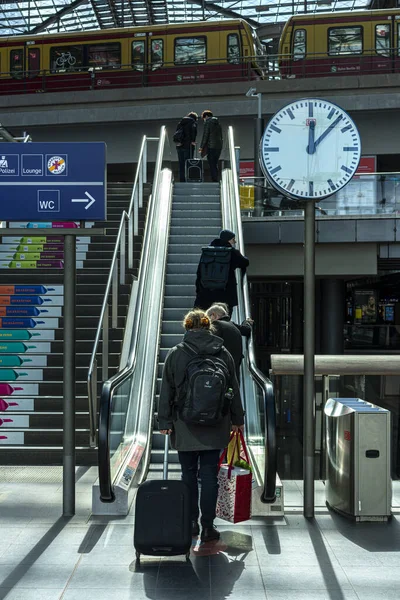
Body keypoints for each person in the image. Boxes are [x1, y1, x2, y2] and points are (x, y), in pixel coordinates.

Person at [158, 309, 244, 543]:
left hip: (184, 424)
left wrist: (164, 421)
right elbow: (232, 388)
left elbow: (167, 390)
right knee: (209, 476)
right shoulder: (223, 352)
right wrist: (238, 419)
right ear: (209, 327)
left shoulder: (176, 353)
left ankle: (191, 522)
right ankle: (208, 526)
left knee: (188, 474)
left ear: (186, 327)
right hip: (217, 423)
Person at [194, 229, 249, 316]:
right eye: (233, 239)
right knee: (223, 319)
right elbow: (245, 262)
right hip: (225, 294)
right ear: (228, 240)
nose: (235, 242)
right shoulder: (231, 252)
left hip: (206, 293)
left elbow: (199, 272)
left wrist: (199, 291)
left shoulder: (207, 252)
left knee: (204, 319)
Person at [206, 304, 244, 381]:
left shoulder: (217, 324)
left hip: (221, 371)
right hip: (234, 372)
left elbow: (210, 346)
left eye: (208, 319)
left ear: (213, 315)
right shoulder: (233, 326)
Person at [199, 110, 223, 182]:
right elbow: (221, 135)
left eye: (204, 118)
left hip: (211, 146)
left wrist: (201, 146)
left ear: (206, 116)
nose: (204, 120)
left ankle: (214, 179)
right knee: (215, 163)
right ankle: (216, 178)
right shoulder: (218, 123)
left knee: (212, 163)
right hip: (219, 146)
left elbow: (205, 135)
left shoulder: (208, 122)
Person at [174, 111, 198, 182]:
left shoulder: (181, 122)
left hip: (179, 145)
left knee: (181, 163)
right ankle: (189, 178)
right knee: (189, 162)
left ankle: (182, 179)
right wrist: (193, 141)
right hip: (188, 146)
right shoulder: (193, 123)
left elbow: (177, 133)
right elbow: (193, 133)